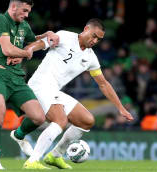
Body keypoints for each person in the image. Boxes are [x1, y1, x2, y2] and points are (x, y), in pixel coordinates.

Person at [9, 18, 134, 169]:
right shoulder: (65, 37)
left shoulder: (91, 58)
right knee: (60, 120)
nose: (95, 40)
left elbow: (103, 83)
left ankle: (55, 155)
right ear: (86, 28)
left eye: (99, 39)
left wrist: (120, 107)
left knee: (86, 120)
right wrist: (26, 51)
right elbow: (41, 44)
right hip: (40, 85)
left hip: (54, 90)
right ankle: (33, 161)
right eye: (94, 35)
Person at [0, 0, 59, 170]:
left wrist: (47, 34)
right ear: (14, 7)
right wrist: (25, 54)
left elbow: (33, 41)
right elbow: (7, 49)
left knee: (39, 117)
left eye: (28, 11)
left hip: (17, 78)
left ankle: (18, 135)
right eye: (24, 10)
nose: (26, 15)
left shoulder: (23, 25)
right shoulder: (0, 19)